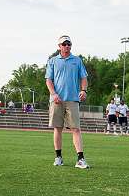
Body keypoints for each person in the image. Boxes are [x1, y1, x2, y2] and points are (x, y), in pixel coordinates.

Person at [45, 35, 89, 169]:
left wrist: (83, 90)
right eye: (64, 44)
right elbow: (48, 80)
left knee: (76, 129)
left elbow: (84, 77)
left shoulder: (77, 61)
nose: (67, 46)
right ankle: (58, 157)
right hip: (57, 100)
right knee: (57, 128)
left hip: (73, 99)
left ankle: (80, 159)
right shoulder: (52, 61)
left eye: (69, 44)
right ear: (59, 46)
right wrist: (53, 94)